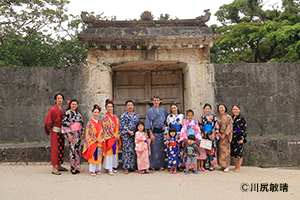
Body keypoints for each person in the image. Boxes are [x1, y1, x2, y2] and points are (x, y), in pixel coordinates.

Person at [44, 93, 67, 175]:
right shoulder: (52, 109)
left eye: (61, 98)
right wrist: (50, 129)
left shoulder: (62, 109)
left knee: (61, 148)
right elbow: (48, 120)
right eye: (58, 98)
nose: (60, 100)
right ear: (55, 100)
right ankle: (54, 167)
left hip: (61, 132)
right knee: (55, 149)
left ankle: (59, 165)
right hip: (55, 131)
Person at [145, 96, 168, 172]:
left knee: (161, 149)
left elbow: (167, 119)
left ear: (160, 101)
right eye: (154, 100)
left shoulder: (163, 111)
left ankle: (161, 165)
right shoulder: (149, 111)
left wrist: (165, 125)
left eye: (157, 100)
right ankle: (153, 165)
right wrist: (151, 134)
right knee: (153, 150)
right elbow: (148, 124)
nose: (156, 102)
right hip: (154, 132)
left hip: (161, 132)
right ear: (152, 101)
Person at [61, 99, 84, 175]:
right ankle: (72, 167)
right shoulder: (67, 113)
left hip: (78, 133)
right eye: (73, 104)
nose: (74, 105)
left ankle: (77, 166)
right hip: (72, 134)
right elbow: (65, 123)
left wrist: (82, 131)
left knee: (78, 150)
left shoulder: (78, 113)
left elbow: (81, 123)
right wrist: (68, 134)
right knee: (73, 150)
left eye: (75, 104)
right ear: (70, 105)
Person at [82, 105, 105, 176]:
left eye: (97, 112)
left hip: (99, 142)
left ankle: (97, 169)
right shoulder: (89, 123)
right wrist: (96, 139)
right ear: (92, 113)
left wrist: (101, 139)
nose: (96, 114)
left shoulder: (99, 123)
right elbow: (88, 133)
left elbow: (102, 132)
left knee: (99, 156)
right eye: (95, 112)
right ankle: (92, 170)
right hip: (93, 142)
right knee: (93, 156)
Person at [101, 99, 121, 175]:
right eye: (108, 107)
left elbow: (118, 126)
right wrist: (114, 135)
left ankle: (113, 166)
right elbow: (106, 128)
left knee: (114, 151)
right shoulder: (105, 117)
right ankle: (109, 167)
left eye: (111, 107)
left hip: (115, 136)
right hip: (109, 137)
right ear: (106, 108)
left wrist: (118, 134)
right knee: (109, 152)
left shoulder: (115, 117)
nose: (110, 108)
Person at [120, 100, 140, 174]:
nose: (130, 106)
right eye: (128, 105)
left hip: (134, 135)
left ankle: (133, 166)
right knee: (126, 151)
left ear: (133, 106)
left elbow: (139, 125)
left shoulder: (136, 115)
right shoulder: (123, 116)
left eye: (131, 105)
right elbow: (122, 125)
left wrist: (136, 132)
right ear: (126, 107)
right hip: (126, 135)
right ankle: (126, 167)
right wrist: (128, 131)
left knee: (134, 151)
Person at [199, 103, 219, 171]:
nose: (207, 110)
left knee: (211, 149)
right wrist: (201, 132)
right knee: (204, 149)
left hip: (211, 134)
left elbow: (216, 125)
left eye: (208, 109)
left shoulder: (213, 117)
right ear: (204, 109)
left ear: (210, 110)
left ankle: (212, 164)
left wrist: (214, 133)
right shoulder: (202, 118)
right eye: (206, 108)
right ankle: (206, 164)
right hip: (204, 135)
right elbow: (200, 126)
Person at [217, 104, 233, 173]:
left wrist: (224, 134)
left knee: (226, 151)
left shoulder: (229, 117)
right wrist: (219, 134)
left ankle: (226, 166)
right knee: (220, 151)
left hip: (226, 136)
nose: (221, 109)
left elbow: (230, 126)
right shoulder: (217, 118)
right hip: (220, 136)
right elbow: (216, 126)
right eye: (220, 108)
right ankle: (221, 165)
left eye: (222, 108)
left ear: (225, 109)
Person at [231, 105, 247, 172]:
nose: (235, 110)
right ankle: (235, 166)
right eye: (234, 109)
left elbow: (244, 129)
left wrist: (243, 138)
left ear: (239, 110)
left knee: (239, 153)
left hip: (239, 136)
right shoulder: (231, 118)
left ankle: (238, 167)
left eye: (236, 109)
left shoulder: (241, 118)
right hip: (232, 137)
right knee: (233, 153)